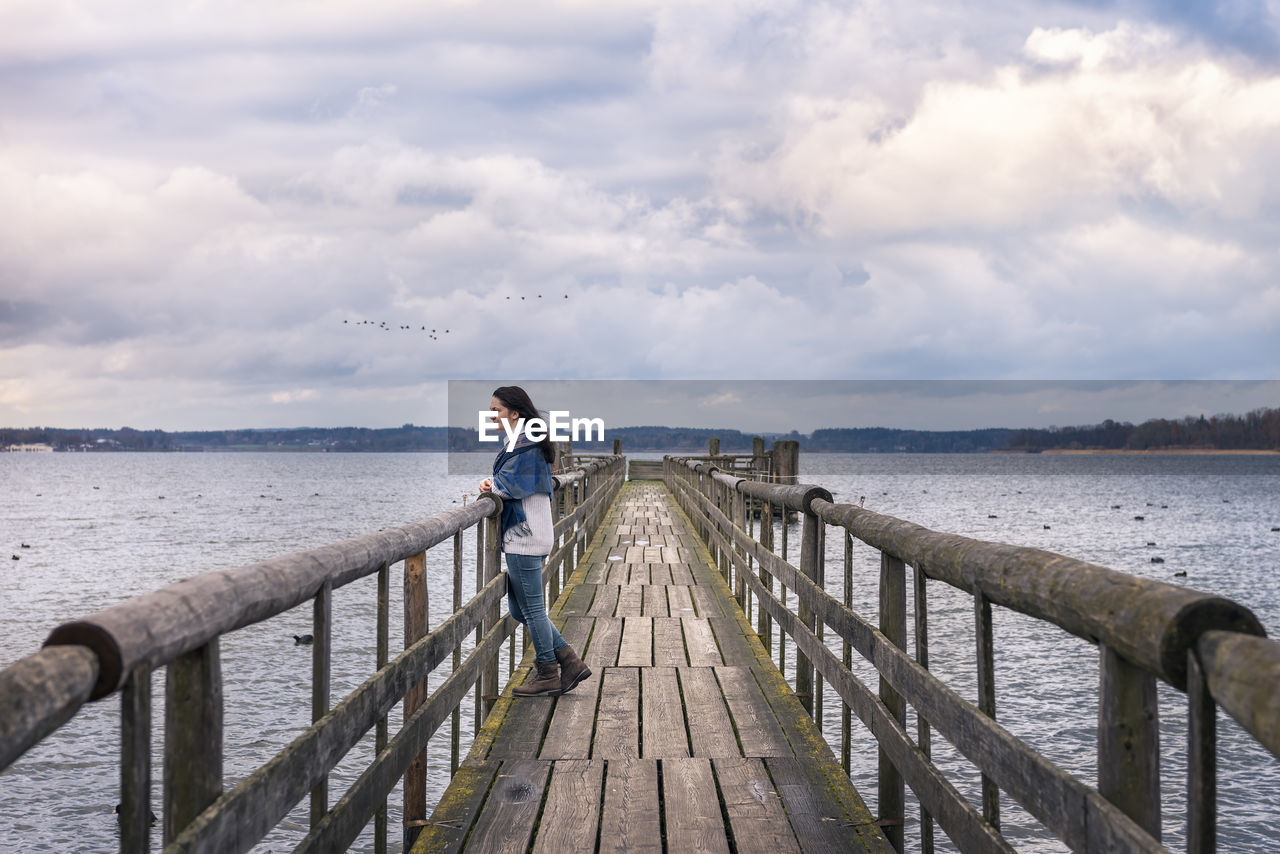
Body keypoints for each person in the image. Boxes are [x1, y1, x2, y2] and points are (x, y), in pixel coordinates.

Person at [479, 386, 591, 697]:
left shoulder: (525, 443)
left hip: (524, 539)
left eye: (496, 410)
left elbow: (513, 487)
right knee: (520, 610)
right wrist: (496, 484)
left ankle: (548, 673)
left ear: (515, 413)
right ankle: (570, 661)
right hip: (533, 535)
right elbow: (517, 482)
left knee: (533, 610)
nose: (491, 416)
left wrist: (490, 486)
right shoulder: (526, 440)